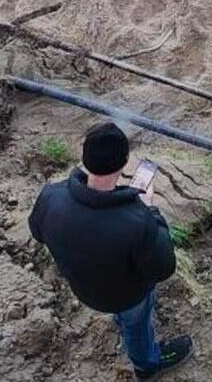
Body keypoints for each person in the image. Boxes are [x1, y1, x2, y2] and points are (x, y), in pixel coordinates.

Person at [28, 122, 192, 380]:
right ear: (125, 162)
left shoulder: (50, 196)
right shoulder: (137, 221)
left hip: (84, 289)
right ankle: (147, 365)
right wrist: (150, 210)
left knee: (125, 314)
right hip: (126, 297)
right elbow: (163, 268)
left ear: (85, 156)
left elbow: (37, 233)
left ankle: (122, 324)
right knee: (136, 325)